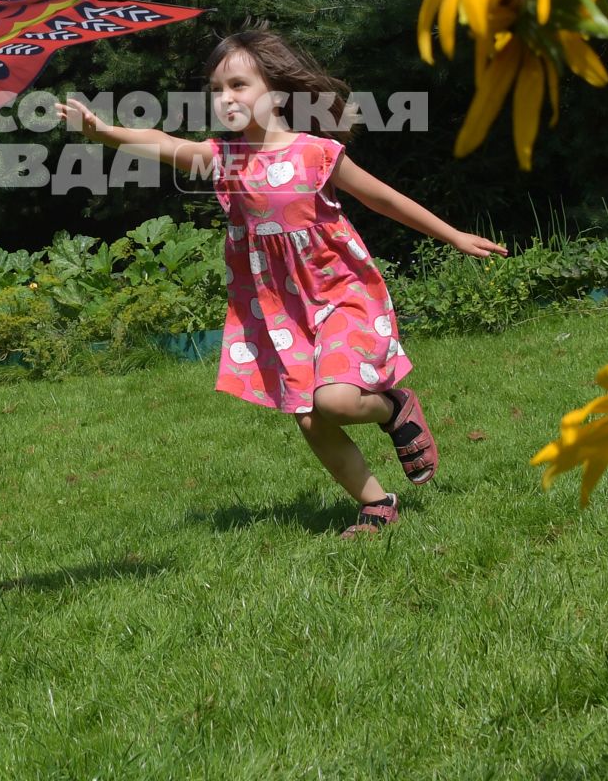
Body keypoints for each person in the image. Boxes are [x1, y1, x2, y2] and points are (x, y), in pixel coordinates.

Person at [58, 28, 506, 538]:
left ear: (274, 90)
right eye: (216, 89)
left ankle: (395, 407)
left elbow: (383, 199)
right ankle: (377, 504)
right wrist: (102, 132)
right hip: (282, 310)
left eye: (239, 85)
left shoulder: (317, 154)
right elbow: (164, 143)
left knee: (335, 401)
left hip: (341, 294)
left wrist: (453, 236)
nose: (225, 98)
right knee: (310, 416)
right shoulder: (224, 159)